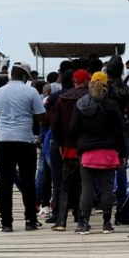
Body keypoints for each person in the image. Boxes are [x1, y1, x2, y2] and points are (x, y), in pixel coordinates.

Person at [0, 62, 46, 232]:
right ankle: (30, 221)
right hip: (25, 141)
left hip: (4, 141)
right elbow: (41, 117)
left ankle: (6, 223)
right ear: (24, 76)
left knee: (5, 183)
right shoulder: (31, 92)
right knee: (28, 182)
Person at [70, 71, 126, 234]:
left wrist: (80, 145)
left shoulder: (80, 104)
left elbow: (73, 129)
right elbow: (119, 131)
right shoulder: (111, 105)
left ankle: (83, 223)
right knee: (107, 188)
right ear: (106, 86)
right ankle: (107, 223)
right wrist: (121, 152)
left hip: (87, 153)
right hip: (108, 152)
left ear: (90, 84)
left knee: (87, 189)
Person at [48, 69, 90, 231]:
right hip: (87, 146)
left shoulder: (62, 97)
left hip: (68, 146)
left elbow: (55, 123)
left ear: (74, 81)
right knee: (83, 182)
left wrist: (60, 143)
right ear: (86, 81)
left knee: (65, 184)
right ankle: (81, 219)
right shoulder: (90, 97)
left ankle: (61, 221)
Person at [104, 56, 129, 210]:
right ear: (121, 71)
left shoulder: (101, 87)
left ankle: (103, 196)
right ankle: (121, 199)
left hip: (103, 131)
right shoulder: (124, 89)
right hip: (122, 130)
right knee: (121, 164)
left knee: (104, 166)